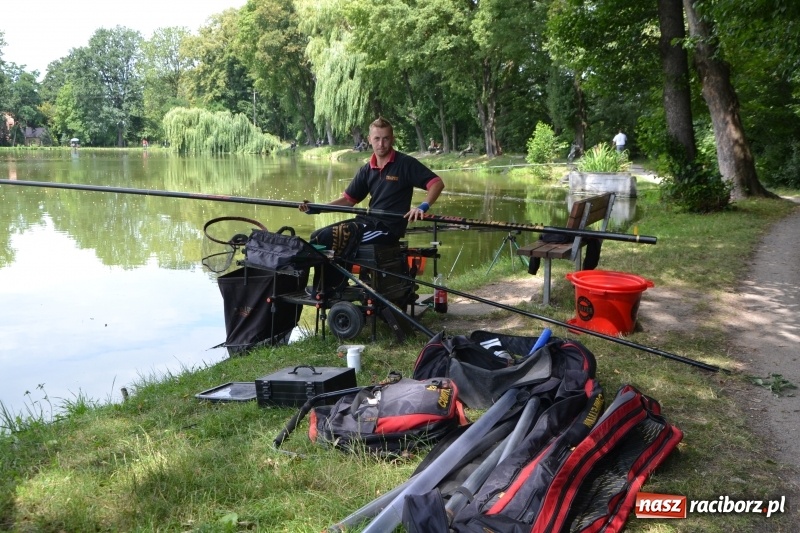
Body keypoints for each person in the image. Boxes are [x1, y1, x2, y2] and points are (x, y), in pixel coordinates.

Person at [300, 117, 445, 295]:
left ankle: (329, 289)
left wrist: (422, 207)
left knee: (335, 236)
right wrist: (317, 207)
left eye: (385, 138)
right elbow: (348, 200)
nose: (381, 144)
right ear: (369, 140)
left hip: (387, 228)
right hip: (367, 222)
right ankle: (325, 286)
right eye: (377, 138)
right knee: (317, 236)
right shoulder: (367, 169)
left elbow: (436, 183)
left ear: (392, 139)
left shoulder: (405, 164)